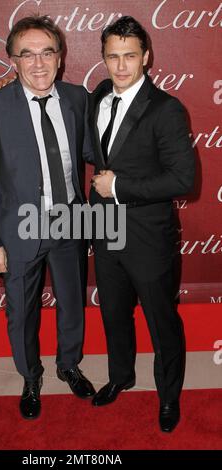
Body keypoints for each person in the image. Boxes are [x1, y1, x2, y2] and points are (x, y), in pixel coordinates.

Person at [0, 15, 95, 420]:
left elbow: (95, 150)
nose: (38, 63)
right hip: (18, 227)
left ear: (60, 58)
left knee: (72, 301)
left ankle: (69, 364)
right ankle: (30, 376)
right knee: (21, 310)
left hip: (70, 220)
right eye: (27, 54)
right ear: (12, 60)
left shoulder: (78, 98)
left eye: (47, 52)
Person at [90, 16, 195, 432]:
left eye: (129, 56)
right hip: (104, 231)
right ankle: (121, 376)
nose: (120, 66)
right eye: (112, 56)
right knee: (114, 314)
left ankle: (168, 396)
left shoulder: (167, 109)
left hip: (149, 236)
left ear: (146, 57)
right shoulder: (98, 94)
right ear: (103, 57)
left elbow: (184, 180)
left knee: (161, 320)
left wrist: (119, 186)